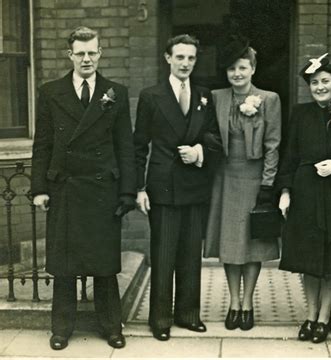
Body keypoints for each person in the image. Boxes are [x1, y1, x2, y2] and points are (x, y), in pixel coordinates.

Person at [31, 26, 136, 350]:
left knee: (104, 265)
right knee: (64, 266)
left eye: (92, 52)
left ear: (100, 53)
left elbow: (125, 147)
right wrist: (39, 189)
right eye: (80, 53)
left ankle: (111, 327)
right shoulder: (50, 92)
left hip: (102, 190)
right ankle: (62, 328)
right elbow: (43, 145)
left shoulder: (115, 92)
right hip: (65, 188)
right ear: (70, 55)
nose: (87, 59)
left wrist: (128, 192)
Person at [134, 34, 221, 341]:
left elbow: (213, 137)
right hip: (164, 187)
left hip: (194, 184)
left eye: (191, 58)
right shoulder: (151, 96)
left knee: (189, 255)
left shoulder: (203, 95)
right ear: (168, 58)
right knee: (164, 254)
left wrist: (199, 152)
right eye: (180, 57)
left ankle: (188, 314)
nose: (186, 63)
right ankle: (160, 319)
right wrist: (139, 188)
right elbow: (139, 146)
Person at [276, 54, 331, 344]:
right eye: (315, 83)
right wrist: (286, 191)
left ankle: (324, 317)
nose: (320, 87)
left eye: (325, 81)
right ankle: (310, 315)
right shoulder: (300, 113)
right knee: (308, 257)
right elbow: (289, 154)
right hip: (305, 191)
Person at [203, 37, 281, 331]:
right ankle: (233, 302)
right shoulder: (215, 97)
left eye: (243, 67)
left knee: (251, 245)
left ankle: (248, 302)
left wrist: (267, 185)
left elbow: (273, 145)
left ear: (253, 69)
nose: (237, 73)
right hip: (224, 178)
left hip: (254, 178)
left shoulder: (269, 99)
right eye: (232, 68)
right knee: (230, 244)